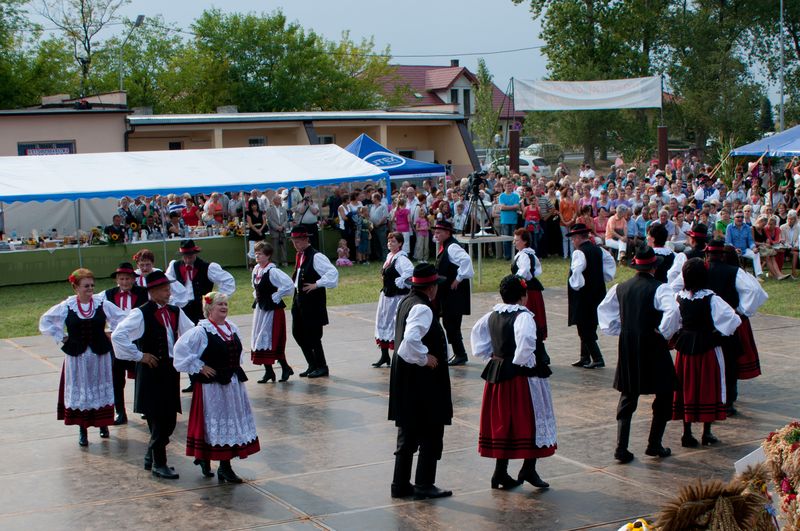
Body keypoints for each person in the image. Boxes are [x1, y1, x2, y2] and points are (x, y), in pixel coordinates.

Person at [470, 275, 557, 490]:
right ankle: (527, 468)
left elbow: (478, 340)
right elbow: (526, 344)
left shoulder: (492, 315)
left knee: (506, 421)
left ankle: (501, 472)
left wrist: (495, 356)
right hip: (521, 377)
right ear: (523, 295)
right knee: (529, 420)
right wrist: (519, 362)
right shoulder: (524, 316)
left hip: (499, 373)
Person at [598, 245, 680, 464]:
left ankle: (621, 448)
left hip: (628, 345)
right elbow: (673, 311)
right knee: (664, 394)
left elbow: (604, 312)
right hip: (652, 344)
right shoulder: (661, 289)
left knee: (628, 394)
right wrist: (663, 332)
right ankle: (654, 444)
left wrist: (620, 329)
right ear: (654, 267)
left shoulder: (620, 287)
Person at [111, 271, 194, 479]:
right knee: (157, 420)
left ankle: (150, 455)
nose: (169, 292)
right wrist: (139, 355)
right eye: (165, 289)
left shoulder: (175, 311)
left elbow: (191, 332)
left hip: (169, 369)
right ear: (154, 291)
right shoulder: (141, 313)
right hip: (150, 371)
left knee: (170, 420)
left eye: (169, 288)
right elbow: (118, 335)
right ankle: (159, 463)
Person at [173, 292, 260, 482]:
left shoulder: (232, 328)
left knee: (229, 425)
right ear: (209, 309)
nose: (224, 307)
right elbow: (180, 352)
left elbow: (237, 355)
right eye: (220, 304)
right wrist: (199, 367)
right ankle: (222, 466)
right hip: (212, 388)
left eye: (226, 304)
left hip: (232, 385)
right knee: (214, 425)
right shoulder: (201, 331)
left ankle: (215, 462)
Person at [39, 268, 127, 447]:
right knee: (82, 389)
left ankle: (103, 425)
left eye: (92, 285)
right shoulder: (67, 306)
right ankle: (83, 430)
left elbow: (122, 318)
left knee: (99, 387)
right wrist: (61, 337)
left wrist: (112, 332)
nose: (90, 288)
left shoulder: (102, 303)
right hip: (77, 357)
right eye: (86, 286)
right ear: (75, 287)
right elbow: (45, 321)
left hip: (99, 354)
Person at [388, 263, 453, 500]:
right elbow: (408, 344)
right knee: (431, 429)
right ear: (432, 287)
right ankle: (424, 483)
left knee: (408, 431)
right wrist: (425, 359)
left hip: (406, 379)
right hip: (422, 380)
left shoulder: (406, 301)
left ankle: (400, 484)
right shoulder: (423, 309)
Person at [672, 258, 741, 447]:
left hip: (685, 349)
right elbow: (733, 320)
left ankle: (687, 433)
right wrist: (719, 332)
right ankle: (706, 432)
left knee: (686, 385)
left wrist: (679, 332)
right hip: (707, 348)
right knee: (708, 385)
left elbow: (672, 322)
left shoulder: (678, 298)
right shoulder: (712, 299)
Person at [704, 240, 768, 415]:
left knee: (710, 360)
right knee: (729, 360)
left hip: (705, 323)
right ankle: (728, 401)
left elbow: (679, 289)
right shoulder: (734, 272)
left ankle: (714, 398)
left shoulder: (699, 268)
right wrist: (740, 311)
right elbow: (756, 292)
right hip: (729, 323)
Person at [167, 239, 235, 392]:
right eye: (185, 255)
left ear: (195, 253)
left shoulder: (207, 267)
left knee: (205, 342)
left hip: (202, 309)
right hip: (183, 309)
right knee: (187, 342)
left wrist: (216, 299)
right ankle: (194, 378)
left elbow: (227, 280)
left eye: (190, 255)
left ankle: (209, 373)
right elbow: (168, 283)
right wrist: (174, 301)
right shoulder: (175, 266)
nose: (187, 258)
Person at [99, 262, 149, 425]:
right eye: (121, 279)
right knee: (116, 378)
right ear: (116, 280)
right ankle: (120, 411)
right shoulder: (107, 295)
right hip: (117, 342)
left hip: (138, 340)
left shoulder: (144, 293)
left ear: (134, 279)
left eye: (128, 279)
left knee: (141, 375)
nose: (125, 282)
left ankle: (143, 407)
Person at [290, 226, 339, 378]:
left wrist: (317, 284)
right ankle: (312, 364)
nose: (295, 244)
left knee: (313, 335)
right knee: (297, 332)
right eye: (294, 241)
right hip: (299, 299)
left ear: (306, 240)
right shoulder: (300, 256)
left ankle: (322, 366)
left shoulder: (316, 256)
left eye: (298, 241)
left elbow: (333, 273)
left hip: (312, 301)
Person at [566, 223, 616, 368]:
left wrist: (576, 285)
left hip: (584, 295)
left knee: (584, 328)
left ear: (577, 237)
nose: (572, 241)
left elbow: (576, 272)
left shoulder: (579, 253)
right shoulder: (599, 250)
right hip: (597, 293)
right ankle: (584, 357)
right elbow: (609, 266)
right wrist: (603, 277)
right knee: (589, 325)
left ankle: (597, 358)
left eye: (573, 238)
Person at [250, 242, 295, 383]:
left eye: (260, 253)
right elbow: (256, 287)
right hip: (261, 309)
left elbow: (289, 285)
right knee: (259, 338)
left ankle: (285, 367)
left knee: (272, 339)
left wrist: (276, 296)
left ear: (268, 255)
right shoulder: (256, 269)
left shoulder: (272, 271)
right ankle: (269, 372)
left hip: (272, 311)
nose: (257, 256)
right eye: (256, 253)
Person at [432, 220, 474, 366]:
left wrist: (458, 278)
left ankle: (460, 354)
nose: (436, 235)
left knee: (452, 324)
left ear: (447, 233)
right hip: (448, 293)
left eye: (439, 232)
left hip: (454, 293)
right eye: (435, 232)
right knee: (450, 323)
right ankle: (459, 353)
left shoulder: (452, 247)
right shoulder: (446, 246)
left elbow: (466, 260)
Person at [373, 232, 413, 368]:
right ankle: (384, 356)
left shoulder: (402, 259)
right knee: (383, 323)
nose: (390, 243)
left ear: (400, 244)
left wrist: (401, 281)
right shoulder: (390, 256)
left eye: (394, 241)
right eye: (389, 241)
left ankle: (399, 357)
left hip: (396, 298)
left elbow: (410, 274)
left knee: (395, 325)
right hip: (386, 297)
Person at [511, 229, 549, 361]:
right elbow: (537, 270)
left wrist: (515, 280)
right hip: (531, 289)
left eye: (517, 240)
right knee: (534, 319)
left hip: (529, 291)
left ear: (525, 241)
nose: (514, 243)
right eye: (514, 240)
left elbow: (525, 270)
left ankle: (541, 355)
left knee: (531, 319)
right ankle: (541, 355)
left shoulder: (524, 255)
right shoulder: (527, 254)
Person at [725, 210, 763, 278]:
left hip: (744, 250)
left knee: (756, 254)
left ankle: (758, 276)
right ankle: (736, 276)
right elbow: (728, 242)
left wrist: (754, 248)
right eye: (738, 217)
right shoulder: (729, 227)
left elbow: (750, 241)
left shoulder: (747, 227)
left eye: (742, 217)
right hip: (734, 250)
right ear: (734, 218)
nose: (740, 219)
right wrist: (734, 249)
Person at [498, 180, 521, 259]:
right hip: (505, 220)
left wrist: (506, 207)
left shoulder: (516, 196)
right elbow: (502, 207)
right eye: (507, 186)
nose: (509, 187)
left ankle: (513, 255)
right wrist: (512, 207)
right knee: (505, 239)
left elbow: (517, 207)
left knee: (514, 239)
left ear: (513, 186)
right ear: (504, 187)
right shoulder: (501, 196)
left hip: (513, 220)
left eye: (510, 186)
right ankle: (507, 256)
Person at [266, 195, 289, 267]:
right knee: (274, 247)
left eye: (280, 199)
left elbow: (286, 219)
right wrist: (277, 227)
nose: (280, 200)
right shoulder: (269, 210)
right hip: (274, 231)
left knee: (283, 247)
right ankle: (275, 262)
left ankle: (284, 261)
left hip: (282, 231)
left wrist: (282, 226)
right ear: (274, 201)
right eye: (279, 199)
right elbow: (269, 220)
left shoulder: (283, 209)